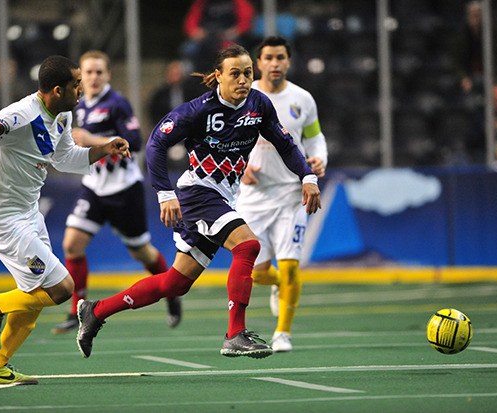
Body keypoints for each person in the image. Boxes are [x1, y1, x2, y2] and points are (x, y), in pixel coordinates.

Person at [75, 44, 322, 360]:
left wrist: (308, 177)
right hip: (198, 193)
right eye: (235, 74)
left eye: (248, 73)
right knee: (248, 246)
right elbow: (156, 144)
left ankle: (97, 310)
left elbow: (285, 144)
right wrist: (165, 194)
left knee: (176, 283)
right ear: (218, 76)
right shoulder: (198, 109)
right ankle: (235, 334)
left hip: (223, 196)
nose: (244, 80)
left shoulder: (259, 104)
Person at [0, 55, 130, 385]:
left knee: (33, 299)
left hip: (29, 215)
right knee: (61, 288)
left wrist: (105, 148)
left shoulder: (61, 114)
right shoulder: (20, 116)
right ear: (57, 90)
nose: (81, 88)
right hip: (2, 219)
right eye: (75, 83)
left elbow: (65, 157)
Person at [51, 50, 182, 335]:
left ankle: (171, 291)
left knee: (142, 253)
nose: (94, 77)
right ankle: (78, 310)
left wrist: (92, 139)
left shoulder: (117, 103)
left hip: (124, 189)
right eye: (88, 72)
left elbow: (134, 141)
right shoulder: (80, 105)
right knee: (72, 244)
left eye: (99, 72)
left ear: (108, 75)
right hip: (94, 187)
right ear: (80, 78)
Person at [236, 36, 327, 353]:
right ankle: (276, 286)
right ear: (258, 63)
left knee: (290, 267)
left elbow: (315, 139)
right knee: (256, 272)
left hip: (292, 195)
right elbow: (224, 140)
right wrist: (239, 166)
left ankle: (283, 333)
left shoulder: (302, 98)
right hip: (253, 197)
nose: (274, 63)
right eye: (268, 58)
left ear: (288, 62)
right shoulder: (244, 96)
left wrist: (318, 161)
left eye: (280, 58)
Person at [181, 0, 255, 72]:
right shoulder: (202, 3)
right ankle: (191, 77)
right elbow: (190, 23)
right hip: (206, 38)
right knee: (189, 49)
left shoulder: (236, 2)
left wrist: (235, 31)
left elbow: (246, 20)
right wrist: (196, 32)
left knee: (234, 53)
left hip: (228, 38)